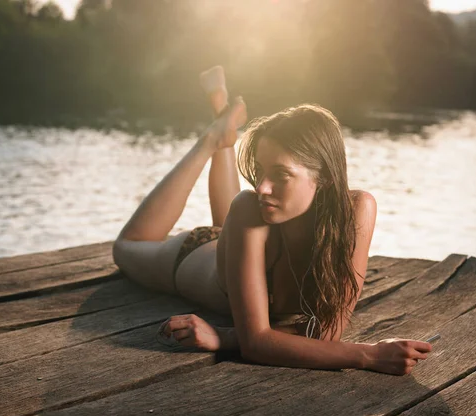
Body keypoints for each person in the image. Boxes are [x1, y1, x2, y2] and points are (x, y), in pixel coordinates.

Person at [113, 66, 432, 376]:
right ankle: (213, 139)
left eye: (280, 175)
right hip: (191, 256)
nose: (262, 186)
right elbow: (257, 343)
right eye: (261, 170)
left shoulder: (358, 210)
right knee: (126, 247)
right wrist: (370, 354)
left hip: (242, 240)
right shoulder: (251, 207)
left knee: (246, 213)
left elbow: (326, 334)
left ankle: (223, 124)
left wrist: (225, 336)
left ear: (324, 179)